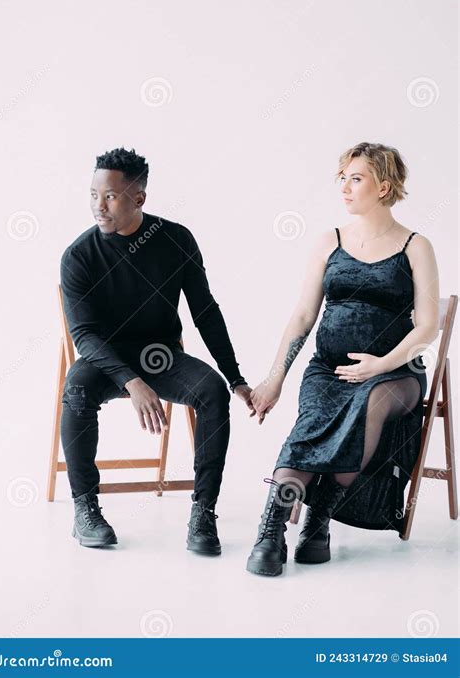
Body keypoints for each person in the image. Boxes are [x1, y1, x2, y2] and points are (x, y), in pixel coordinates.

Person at [246, 142, 440, 576]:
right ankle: (272, 530)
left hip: (395, 374)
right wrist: (275, 377)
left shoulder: (415, 245)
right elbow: (302, 315)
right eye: (343, 178)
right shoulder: (328, 242)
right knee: (310, 423)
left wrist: (381, 363)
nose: (345, 188)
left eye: (356, 179)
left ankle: (318, 520)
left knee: (365, 405)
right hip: (328, 369)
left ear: (383, 186)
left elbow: (426, 327)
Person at [60, 146, 254, 553]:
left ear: (139, 198)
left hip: (161, 358)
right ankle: (86, 510)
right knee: (76, 388)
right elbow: (85, 337)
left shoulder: (175, 239)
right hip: (104, 362)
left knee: (213, 390)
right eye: (94, 194)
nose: (99, 205)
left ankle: (203, 514)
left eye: (110, 196)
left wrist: (235, 376)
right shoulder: (79, 256)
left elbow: (206, 312)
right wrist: (130, 382)